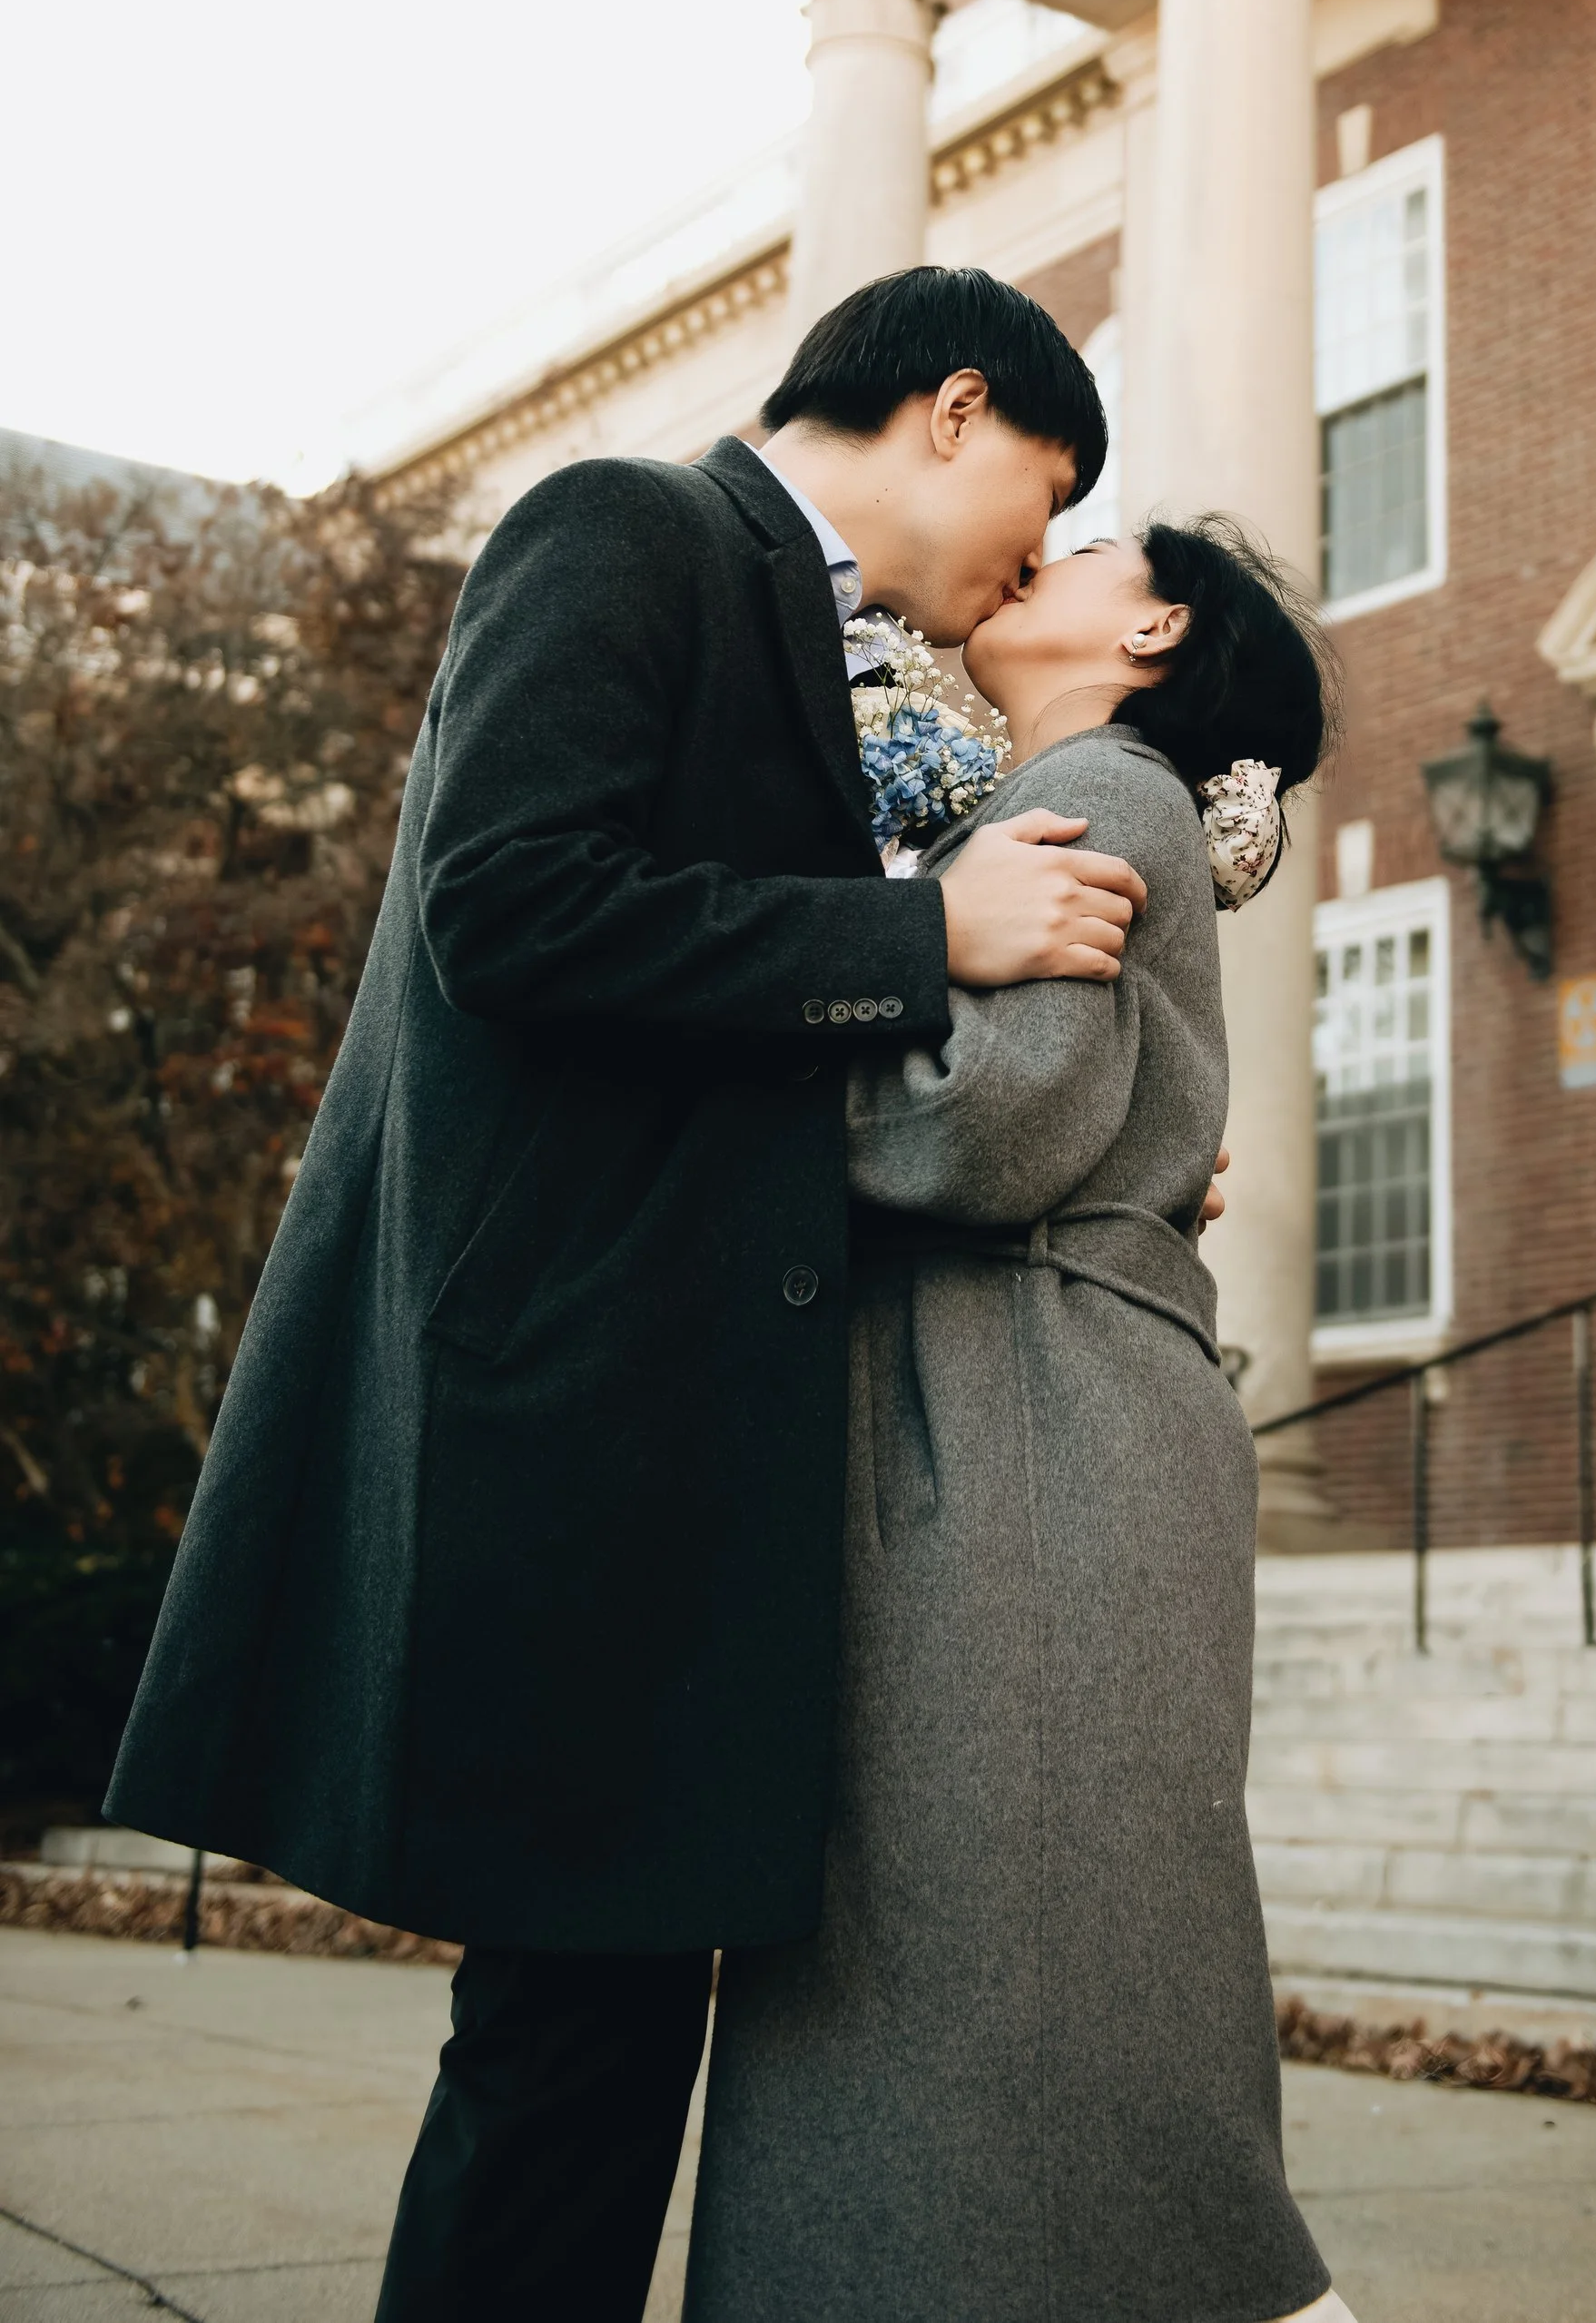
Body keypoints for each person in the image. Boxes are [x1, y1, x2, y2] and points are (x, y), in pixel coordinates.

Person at [104, 268, 1166, 2323]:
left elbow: (749, 1050)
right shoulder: (622, 529)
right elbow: (507, 901)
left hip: (681, 1456)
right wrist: (918, 925)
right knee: (563, 2059)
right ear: (952, 407)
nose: (1034, 554)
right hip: (571, 1428)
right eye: (1041, 488)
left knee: (592, 2055)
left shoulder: (811, 634)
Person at [684, 517, 1360, 2323]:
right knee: (999, 1962)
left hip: (1030, 1426)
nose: (1036, 547)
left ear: (1149, 625)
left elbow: (975, 1130)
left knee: (1017, 1964)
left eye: (1090, 541)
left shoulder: (1098, 789)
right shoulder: (1077, 791)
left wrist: (718, 1081)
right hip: (1018, 1407)